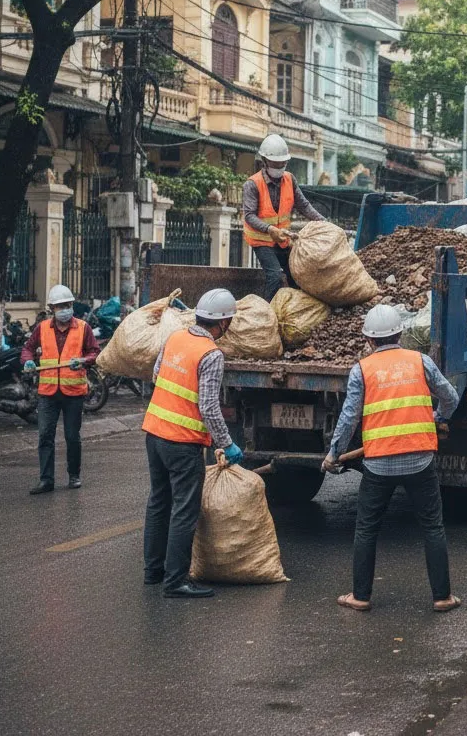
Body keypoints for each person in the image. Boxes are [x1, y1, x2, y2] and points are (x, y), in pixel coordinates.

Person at [322, 304, 461, 614]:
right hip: (420, 460)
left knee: (366, 529)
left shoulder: (362, 369)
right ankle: (442, 597)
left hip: (378, 465)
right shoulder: (420, 361)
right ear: (401, 335)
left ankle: (361, 596)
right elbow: (450, 397)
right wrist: (438, 416)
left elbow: (348, 418)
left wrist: (333, 454)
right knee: (433, 527)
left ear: (369, 340)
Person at [142, 288, 244, 598]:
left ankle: (153, 571)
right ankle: (175, 582)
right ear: (223, 323)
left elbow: (157, 374)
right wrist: (226, 443)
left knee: (159, 501)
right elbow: (209, 406)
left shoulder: (175, 338)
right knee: (185, 510)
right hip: (182, 442)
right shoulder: (211, 354)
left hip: (154, 432)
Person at [21, 284, 99, 494]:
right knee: (45, 436)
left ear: (72, 305)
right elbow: (27, 348)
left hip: (73, 393)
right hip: (48, 393)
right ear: (52, 309)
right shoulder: (42, 328)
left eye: (67, 305)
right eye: (60, 306)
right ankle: (46, 480)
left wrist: (83, 361)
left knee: (72, 436)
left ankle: (74, 475)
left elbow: (95, 352)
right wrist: (28, 361)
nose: (64, 309)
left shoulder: (83, 328)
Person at [243, 132, 325, 301]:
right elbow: (249, 216)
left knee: (296, 273)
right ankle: (268, 310)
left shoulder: (289, 179)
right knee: (275, 276)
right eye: (276, 163)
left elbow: (303, 205)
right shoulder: (252, 184)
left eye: (283, 163)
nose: (280, 166)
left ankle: (297, 307)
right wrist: (269, 229)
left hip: (282, 240)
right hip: (262, 241)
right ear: (265, 161)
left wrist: (323, 222)